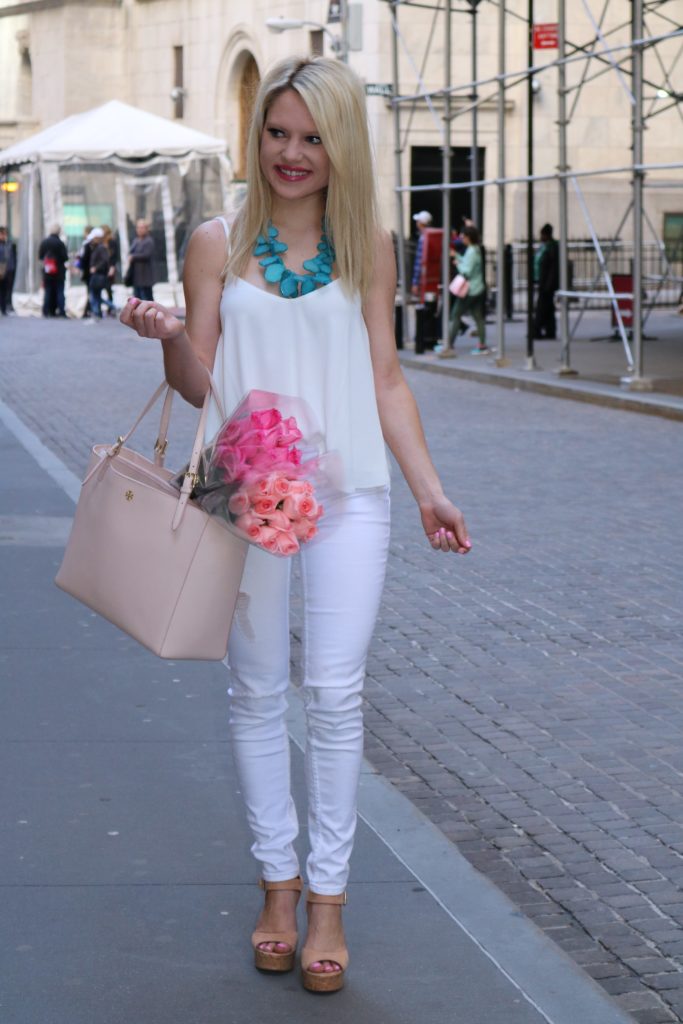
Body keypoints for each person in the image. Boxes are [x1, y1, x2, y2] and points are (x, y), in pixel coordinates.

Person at [120, 56, 470, 994]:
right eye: (277, 132)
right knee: (256, 688)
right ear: (257, 136)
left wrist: (429, 487)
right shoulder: (215, 242)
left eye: (312, 137)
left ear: (341, 144)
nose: (291, 152)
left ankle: (327, 901)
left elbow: (387, 380)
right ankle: (276, 885)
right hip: (244, 488)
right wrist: (168, 344)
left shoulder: (368, 245)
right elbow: (200, 383)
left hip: (352, 493)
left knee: (335, 692)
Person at [440, 223, 489, 356]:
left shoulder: (472, 251)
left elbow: (466, 270)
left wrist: (457, 264)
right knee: (478, 316)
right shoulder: (475, 249)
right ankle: (482, 343)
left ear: (469, 237)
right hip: (478, 288)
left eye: (463, 236)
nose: (461, 238)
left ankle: (449, 343)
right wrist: (458, 257)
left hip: (469, 289)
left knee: (455, 314)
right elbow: (468, 262)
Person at [533, 222, 559, 340]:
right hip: (543, 281)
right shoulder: (545, 247)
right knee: (548, 308)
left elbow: (553, 268)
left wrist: (548, 284)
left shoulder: (552, 247)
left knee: (542, 307)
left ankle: (537, 329)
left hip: (548, 283)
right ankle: (550, 330)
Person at [38, 224, 68, 317]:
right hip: (59, 271)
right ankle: (61, 311)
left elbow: (40, 256)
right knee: (60, 291)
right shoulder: (60, 243)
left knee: (48, 291)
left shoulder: (45, 242)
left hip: (48, 271)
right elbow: (65, 257)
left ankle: (46, 311)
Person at [87, 228, 116, 320]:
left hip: (99, 274)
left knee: (95, 295)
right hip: (98, 274)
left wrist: (96, 268)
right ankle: (98, 312)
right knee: (96, 295)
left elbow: (105, 260)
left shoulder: (101, 247)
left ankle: (110, 307)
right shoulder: (98, 247)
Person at [126, 218, 155, 300]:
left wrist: (134, 257)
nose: (139, 230)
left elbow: (146, 255)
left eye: (142, 227)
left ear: (146, 229)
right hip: (136, 277)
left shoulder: (149, 241)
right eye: (138, 227)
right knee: (137, 299)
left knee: (146, 299)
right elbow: (130, 252)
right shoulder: (135, 240)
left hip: (145, 277)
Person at [410, 209, 432, 299]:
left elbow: (419, 262)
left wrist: (415, 283)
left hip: (423, 279)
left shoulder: (423, 238)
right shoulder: (430, 236)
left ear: (421, 223)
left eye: (418, 221)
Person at [102, 225, 120, 315]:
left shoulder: (111, 242)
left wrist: (112, 267)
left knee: (108, 288)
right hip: (103, 268)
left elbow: (114, 256)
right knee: (105, 288)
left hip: (109, 267)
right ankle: (110, 306)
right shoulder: (102, 242)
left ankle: (111, 307)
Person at [0, 226, 15, 316]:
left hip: (6, 271)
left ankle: (4, 308)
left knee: (4, 290)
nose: (4, 236)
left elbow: (10, 258)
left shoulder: (8, 244)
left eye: (5, 234)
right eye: (2, 234)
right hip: (3, 269)